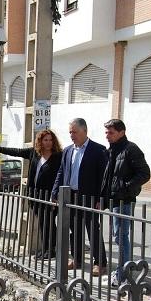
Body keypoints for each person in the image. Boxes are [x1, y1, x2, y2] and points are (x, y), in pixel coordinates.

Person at [0, 129, 63, 259]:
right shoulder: (34, 153)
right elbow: (16, 151)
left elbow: (61, 175)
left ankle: (52, 250)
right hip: (35, 194)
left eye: (51, 140)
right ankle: (45, 249)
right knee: (41, 222)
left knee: (49, 222)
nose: (48, 143)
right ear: (40, 141)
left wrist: (56, 195)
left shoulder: (58, 156)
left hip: (50, 195)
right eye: (45, 140)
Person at [52, 118, 108, 276]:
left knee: (92, 230)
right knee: (74, 229)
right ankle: (76, 259)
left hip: (89, 196)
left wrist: (100, 199)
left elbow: (103, 178)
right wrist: (55, 192)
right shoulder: (68, 150)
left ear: (85, 131)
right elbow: (61, 172)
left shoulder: (98, 150)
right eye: (70, 132)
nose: (72, 135)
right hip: (71, 195)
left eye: (74, 132)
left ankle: (100, 263)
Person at [100, 119, 150, 286]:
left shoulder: (130, 149)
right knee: (118, 236)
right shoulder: (112, 150)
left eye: (111, 132)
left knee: (121, 236)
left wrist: (126, 187)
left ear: (121, 132)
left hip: (125, 200)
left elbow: (144, 174)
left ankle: (123, 273)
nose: (107, 135)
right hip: (114, 200)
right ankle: (122, 270)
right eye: (106, 132)